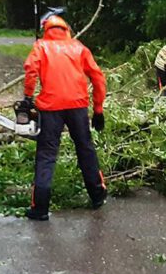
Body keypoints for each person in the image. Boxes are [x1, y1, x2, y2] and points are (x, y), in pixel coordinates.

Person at [22, 14, 108, 221]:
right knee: (85, 149)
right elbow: (98, 77)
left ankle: (40, 207)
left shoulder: (41, 47)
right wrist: (98, 109)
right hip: (78, 106)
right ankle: (97, 195)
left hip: (50, 108)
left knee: (47, 154)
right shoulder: (79, 48)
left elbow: (31, 70)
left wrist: (27, 96)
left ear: (46, 30)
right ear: (66, 29)